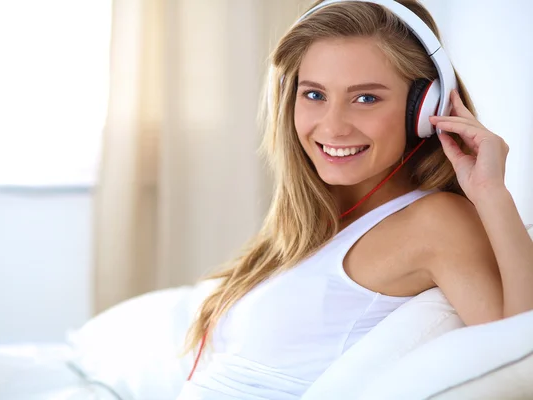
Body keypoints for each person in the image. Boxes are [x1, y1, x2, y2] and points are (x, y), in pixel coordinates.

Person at [177, 0, 533, 398]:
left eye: (366, 98)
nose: (333, 126)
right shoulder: (316, 222)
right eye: (314, 94)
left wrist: (492, 194)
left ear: (424, 108)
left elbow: (520, 353)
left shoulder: (436, 222)